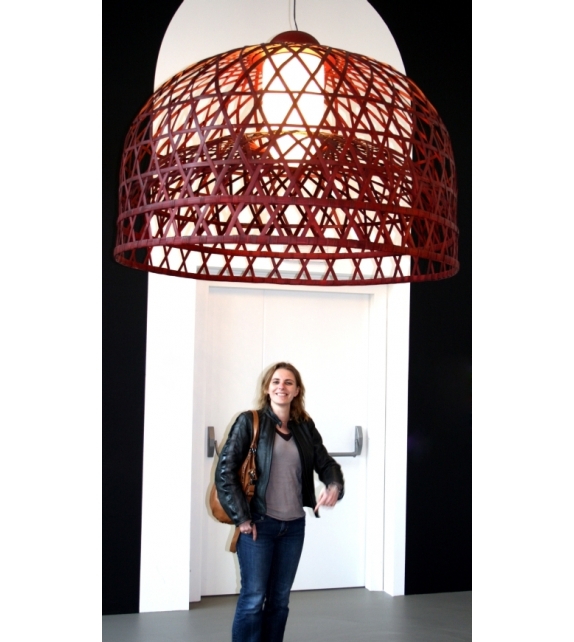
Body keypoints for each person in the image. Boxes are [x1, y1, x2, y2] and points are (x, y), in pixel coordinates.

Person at [215, 361, 344, 642]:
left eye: (288, 382)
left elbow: (326, 462)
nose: (281, 387)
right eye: (275, 381)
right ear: (267, 388)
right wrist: (242, 518)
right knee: (253, 598)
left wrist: (334, 485)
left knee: (280, 601)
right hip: (258, 524)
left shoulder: (304, 426)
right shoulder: (249, 421)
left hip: (293, 526)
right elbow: (225, 472)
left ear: (297, 390)